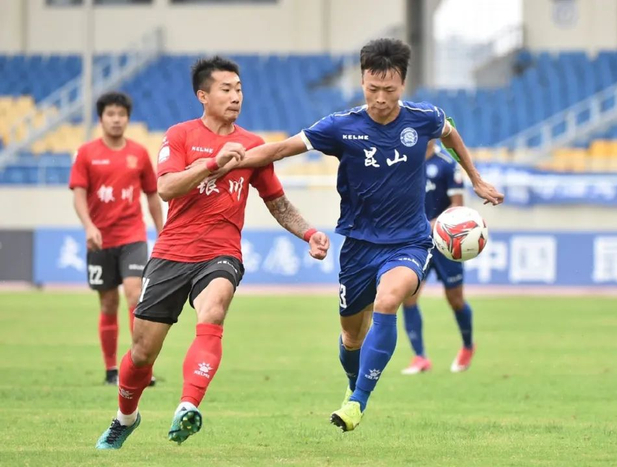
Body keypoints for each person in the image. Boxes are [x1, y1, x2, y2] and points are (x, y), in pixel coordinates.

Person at [233, 38, 504, 432]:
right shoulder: (341, 126)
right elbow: (280, 150)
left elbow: (450, 133)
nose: (380, 98)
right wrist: (228, 164)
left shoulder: (423, 118)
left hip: (409, 242)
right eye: (372, 88)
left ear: (402, 85)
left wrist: (475, 178)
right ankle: (353, 383)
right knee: (350, 336)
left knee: (389, 300)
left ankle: (358, 401)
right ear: (362, 82)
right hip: (358, 246)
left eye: (389, 90)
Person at [95, 56, 329, 449]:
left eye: (239, 89)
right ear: (203, 95)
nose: (236, 96)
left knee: (214, 309)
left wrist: (309, 233)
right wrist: (210, 164)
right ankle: (125, 418)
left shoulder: (253, 146)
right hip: (172, 252)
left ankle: (187, 406)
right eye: (226, 89)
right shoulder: (180, 135)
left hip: (221, 252)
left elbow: (277, 202)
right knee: (141, 353)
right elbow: (166, 188)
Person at [69, 91, 163, 386]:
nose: (116, 119)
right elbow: (79, 195)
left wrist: (162, 230)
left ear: (127, 118)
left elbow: (152, 194)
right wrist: (88, 227)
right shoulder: (86, 153)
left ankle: (138, 367)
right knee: (109, 303)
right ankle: (111, 369)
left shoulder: (139, 153)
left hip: (133, 236)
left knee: (135, 295)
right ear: (101, 118)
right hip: (100, 240)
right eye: (111, 114)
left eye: (121, 114)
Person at [400, 140, 475, 376]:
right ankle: (420, 356)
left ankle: (467, 346)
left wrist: (430, 225)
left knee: (455, 300)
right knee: (408, 297)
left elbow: (457, 206)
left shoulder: (446, 165)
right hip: (416, 244)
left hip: (445, 243)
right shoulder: (405, 161)